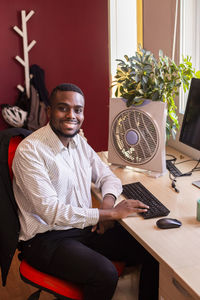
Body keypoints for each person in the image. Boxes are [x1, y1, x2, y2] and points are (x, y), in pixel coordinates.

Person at [12, 83, 158, 300]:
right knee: (105, 274)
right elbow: (51, 211)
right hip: (46, 238)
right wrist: (109, 214)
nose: (72, 115)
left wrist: (107, 205)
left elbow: (107, 177)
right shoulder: (30, 151)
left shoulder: (77, 141)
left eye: (78, 110)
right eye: (63, 108)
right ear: (49, 111)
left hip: (82, 228)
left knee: (151, 252)